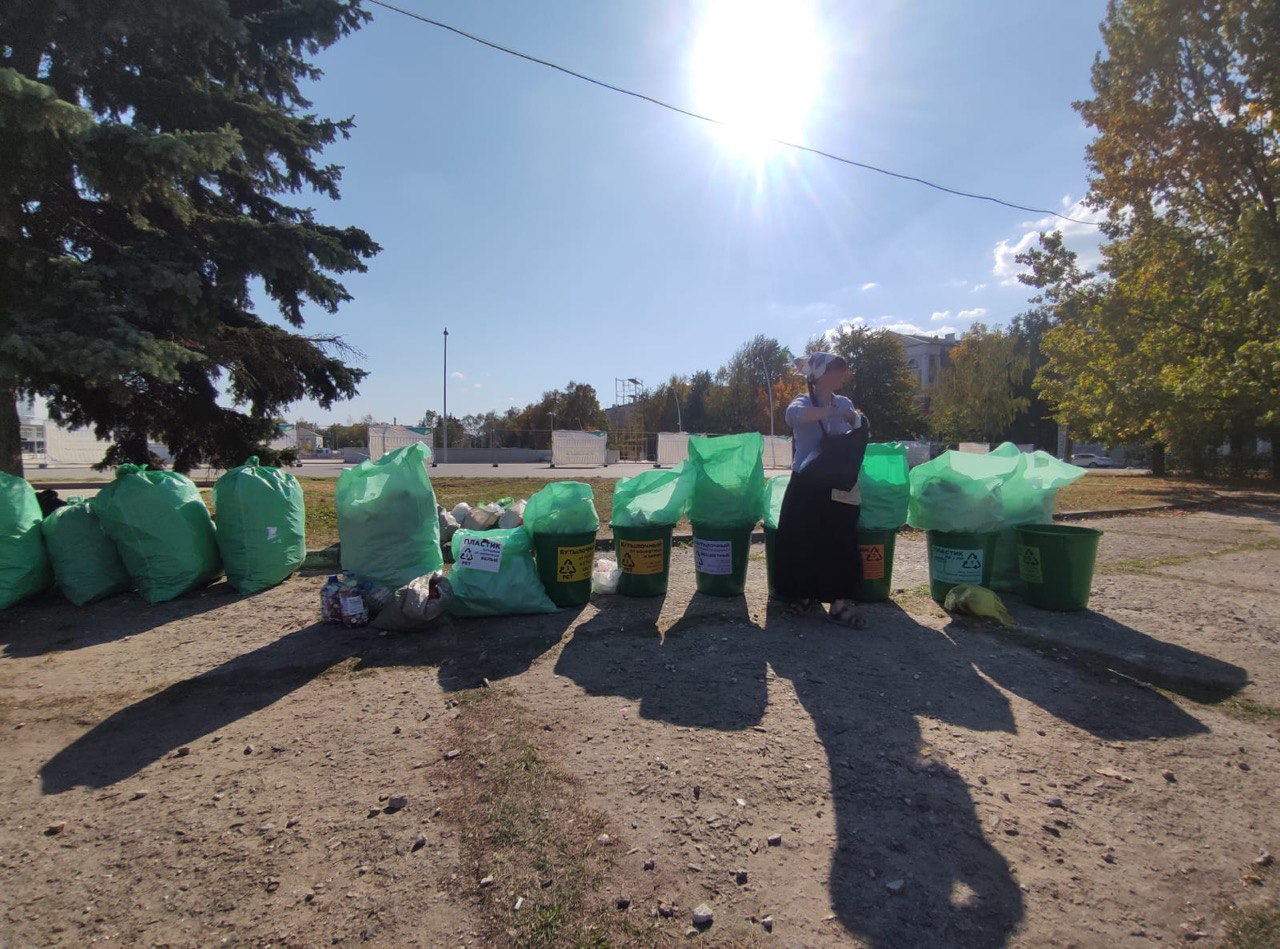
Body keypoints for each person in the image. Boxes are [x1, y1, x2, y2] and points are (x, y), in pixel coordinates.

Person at [773, 352, 869, 628]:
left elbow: (858, 426)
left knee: (841, 540)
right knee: (803, 540)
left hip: (838, 482)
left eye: (842, 369)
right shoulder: (804, 401)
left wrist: (855, 420)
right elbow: (793, 416)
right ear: (818, 375)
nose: (841, 374)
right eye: (834, 369)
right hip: (808, 483)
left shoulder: (845, 402)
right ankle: (804, 597)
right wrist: (832, 412)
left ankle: (839, 603)